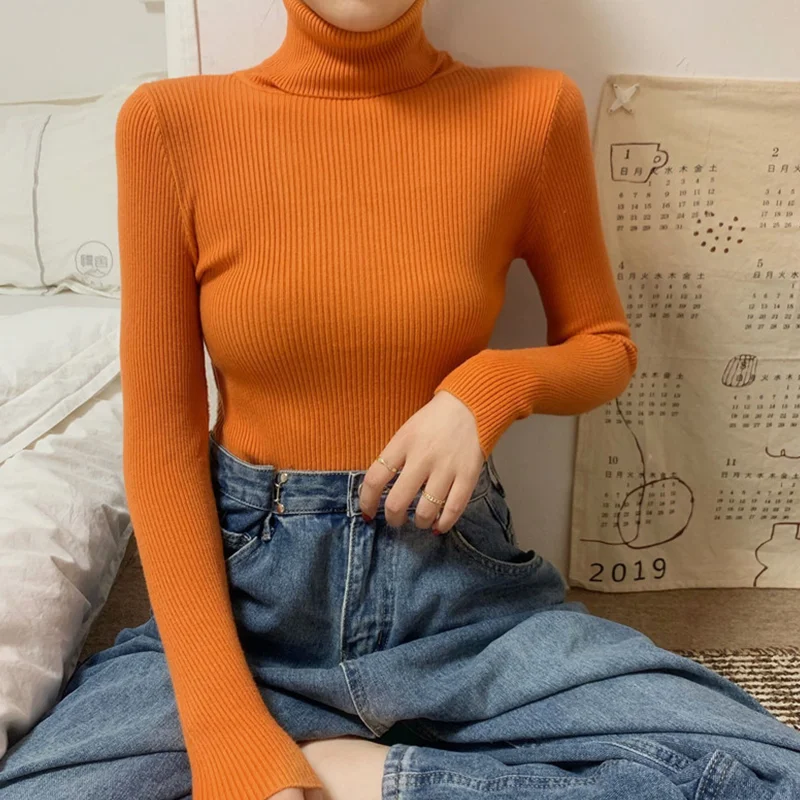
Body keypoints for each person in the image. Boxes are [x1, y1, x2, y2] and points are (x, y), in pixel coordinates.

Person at [2, 0, 800, 798]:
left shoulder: (532, 111)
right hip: (250, 614)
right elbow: (162, 442)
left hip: (462, 605)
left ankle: (367, 778)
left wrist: (486, 391)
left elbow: (605, 345)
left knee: (770, 777)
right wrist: (228, 734)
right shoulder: (169, 126)